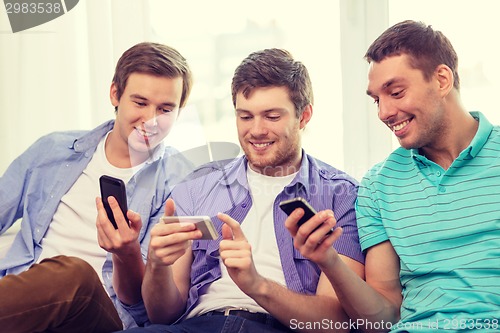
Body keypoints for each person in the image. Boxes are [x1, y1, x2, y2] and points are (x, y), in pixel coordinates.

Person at [119, 48, 365, 333]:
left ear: (304, 116)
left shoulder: (341, 195)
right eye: (245, 117)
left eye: (272, 116)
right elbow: (162, 315)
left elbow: (335, 324)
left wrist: (256, 284)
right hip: (197, 326)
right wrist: (158, 267)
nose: (256, 131)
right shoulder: (197, 188)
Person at [287, 20, 500, 333]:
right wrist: (328, 261)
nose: (384, 112)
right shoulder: (378, 185)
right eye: (376, 99)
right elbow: (382, 319)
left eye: (396, 92)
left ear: (442, 80)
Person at [0, 42, 193, 332]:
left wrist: (126, 253)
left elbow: (147, 309)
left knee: (75, 273)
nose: (151, 121)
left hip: (101, 314)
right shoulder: (53, 150)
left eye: (165, 109)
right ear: (115, 93)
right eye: (140, 103)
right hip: (25, 308)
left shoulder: (182, 183)